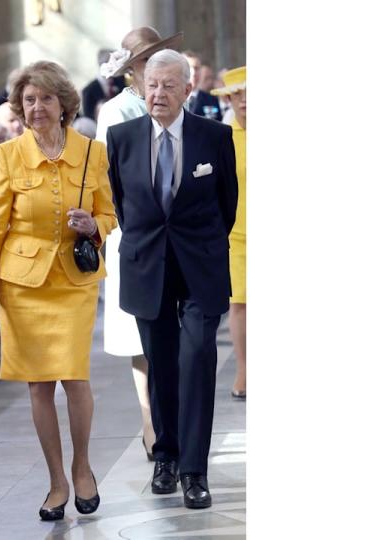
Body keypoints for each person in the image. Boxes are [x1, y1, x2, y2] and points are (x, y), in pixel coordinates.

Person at [0, 60, 117, 521]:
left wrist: (93, 224)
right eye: (28, 100)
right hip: (22, 287)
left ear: (64, 104)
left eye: (45, 99)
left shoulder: (92, 152)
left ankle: (82, 467)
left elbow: (110, 216)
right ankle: (56, 480)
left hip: (74, 285)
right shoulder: (8, 154)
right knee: (40, 386)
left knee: (75, 378)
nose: (36, 108)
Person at [105, 49, 237, 510]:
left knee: (198, 358)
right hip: (148, 266)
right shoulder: (121, 138)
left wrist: (197, 245)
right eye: (151, 85)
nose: (157, 94)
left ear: (186, 89)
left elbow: (227, 203)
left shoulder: (214, 137)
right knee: (161, 364)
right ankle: (166, 456)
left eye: (167, 86)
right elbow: (124, 206)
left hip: (200, 265)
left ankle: (194, 472)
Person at [95, 25, 184, 463]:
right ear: (132, 68)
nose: (154, 65)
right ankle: (150, 420)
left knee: (173, 334)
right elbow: (109, 178)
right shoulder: (117, 111)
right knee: (139, 334)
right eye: (147, 59)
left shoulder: (176, 100)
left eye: (161, 55)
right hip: (135, 233)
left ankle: (172, 418)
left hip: (175, 234)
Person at [211, 66, 247, 399]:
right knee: (239, 303)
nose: (246, 101)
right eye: (238, 95)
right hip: (236, 231)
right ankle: (244, 369)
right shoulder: (223, 134)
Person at [81, 49, 126, 119]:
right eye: (113, 62)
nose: (116, 65)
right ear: (103, 64)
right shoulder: (88, 91)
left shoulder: (120, 79)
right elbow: (88, 117)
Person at [181, 51, 223, 121]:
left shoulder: (211, 100)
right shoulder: (174, 98)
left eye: (196, 68)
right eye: (188, 67)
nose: (194, 73)